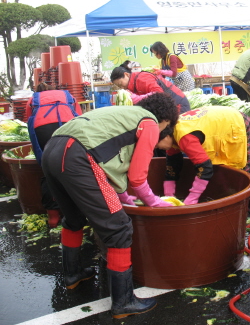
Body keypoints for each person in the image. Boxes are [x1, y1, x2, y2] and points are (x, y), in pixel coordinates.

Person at [41, 93, 179, 319]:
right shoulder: (150, 123)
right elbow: (136, 177)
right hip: (77, 156)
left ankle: (73, 275)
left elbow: (109, 164)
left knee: (74, 218)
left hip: (53, 149)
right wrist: (155, 202)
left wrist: (124, 198)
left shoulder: (123, 115)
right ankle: (123, 302)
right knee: (119, 228)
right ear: (166, 120)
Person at [157, 105, 250, 230]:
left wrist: (191, 200)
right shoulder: (170, 136)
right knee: (223, 172)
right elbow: (172, 166)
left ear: (165, 136)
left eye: (156, 144)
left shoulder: (185, 137)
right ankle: (234, 215)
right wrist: (169, 197)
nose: (156, 148)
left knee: (248, 173)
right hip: (218, 126)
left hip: (237, 123)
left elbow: (205, 168)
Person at [26, 83, 82, 228]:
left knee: (48, 170)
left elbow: (29, 120)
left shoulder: (33, 99)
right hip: (69, 126)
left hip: (42, 129)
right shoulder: (68, 96)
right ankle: (79, 211)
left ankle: (53, 217)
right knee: (73, 167)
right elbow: (80, 117)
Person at [111, 61, 190, 114]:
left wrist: (137, 98)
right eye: (119, 86)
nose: (122, 87)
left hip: (178, 104)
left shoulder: (141, 78)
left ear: (126, 75)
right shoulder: (132, 85)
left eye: (120, 83)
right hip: (169, 107)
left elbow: (159, 94)